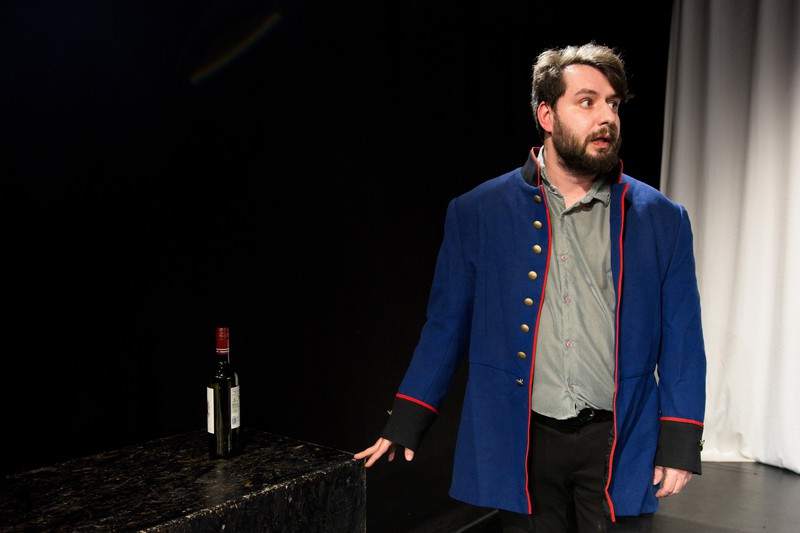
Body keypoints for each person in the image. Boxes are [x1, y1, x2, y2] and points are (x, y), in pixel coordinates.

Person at [355, 42, 706, 532]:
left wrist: (680, 443)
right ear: (546, 115)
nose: (606, 117)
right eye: (587, 102)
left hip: (619, 437)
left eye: (613, 104)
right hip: (523, 439)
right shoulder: (477, 212)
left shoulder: (662, 218)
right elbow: (445, 326)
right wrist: (409, 417)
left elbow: (683, 337)